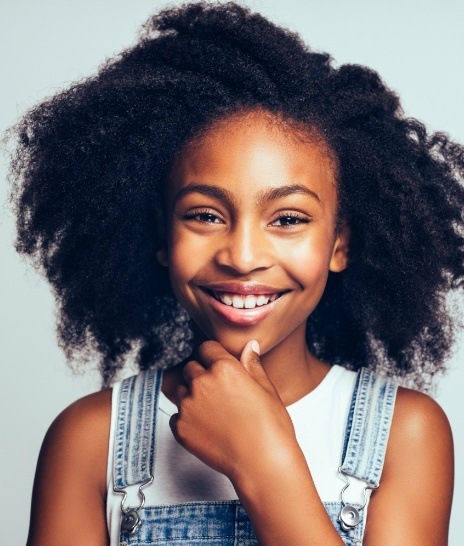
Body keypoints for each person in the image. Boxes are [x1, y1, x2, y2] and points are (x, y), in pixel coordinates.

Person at [8, 2, 463, 545]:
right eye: (205, 215)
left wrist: (264, 461)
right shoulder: (90, 441)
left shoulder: (404, 435)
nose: (242, 256)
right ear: (161, 237)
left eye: (288, 219)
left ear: (340, 242)